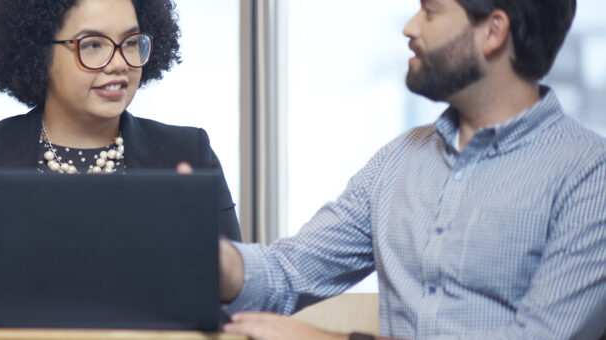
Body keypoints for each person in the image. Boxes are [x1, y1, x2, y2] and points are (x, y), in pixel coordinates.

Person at [218, 0, 606, 339]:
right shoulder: (399, 159)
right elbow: (289, 273)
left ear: (493, 32)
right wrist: (213, 257)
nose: (410, 27)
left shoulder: (589, 174)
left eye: (431, 11)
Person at [0, 0, 242, 328]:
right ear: (39, 52)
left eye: (129, 42)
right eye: (93, 45)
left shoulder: (189, 153)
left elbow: (237, 294)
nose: (119, 64)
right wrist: (7, 325)